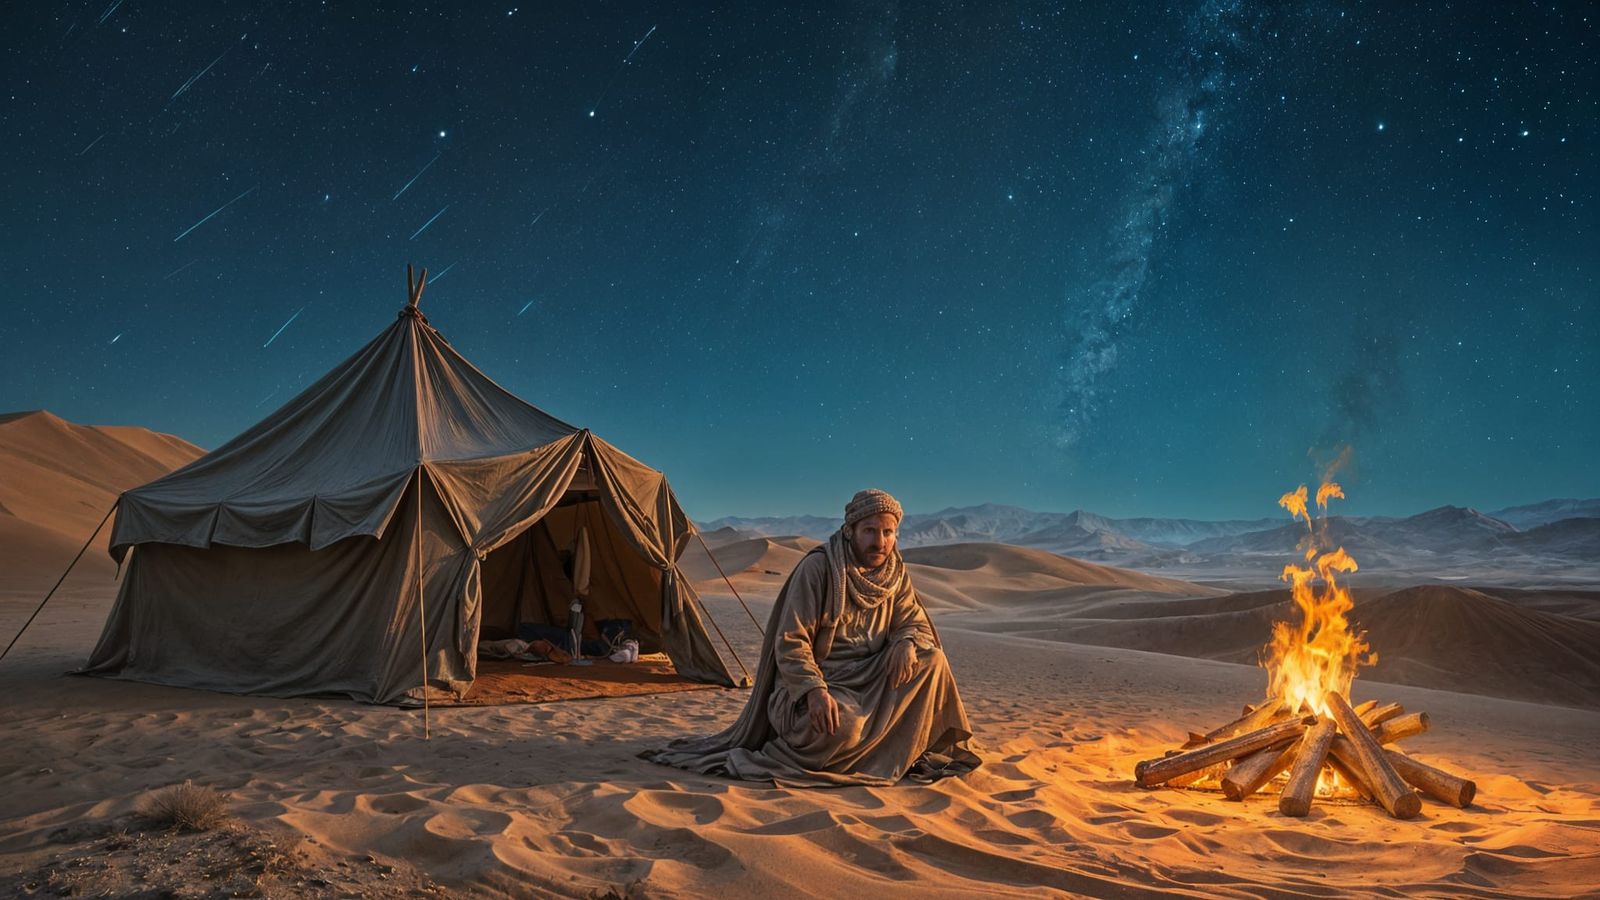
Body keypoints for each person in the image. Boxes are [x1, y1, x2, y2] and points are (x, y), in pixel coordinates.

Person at [644, 489, 979, 786]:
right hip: (820, 687)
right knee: (841, 729)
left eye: (888, 532)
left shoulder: (894, 571)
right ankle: (860, 750)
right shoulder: (820, 569)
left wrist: (906, 641)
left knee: (932, 660)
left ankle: (909, 749)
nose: (880, 541)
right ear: (850, 531)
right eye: (870, 531)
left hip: (871, 680)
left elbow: (913, 620)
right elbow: (792, 643)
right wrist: (813, 691)